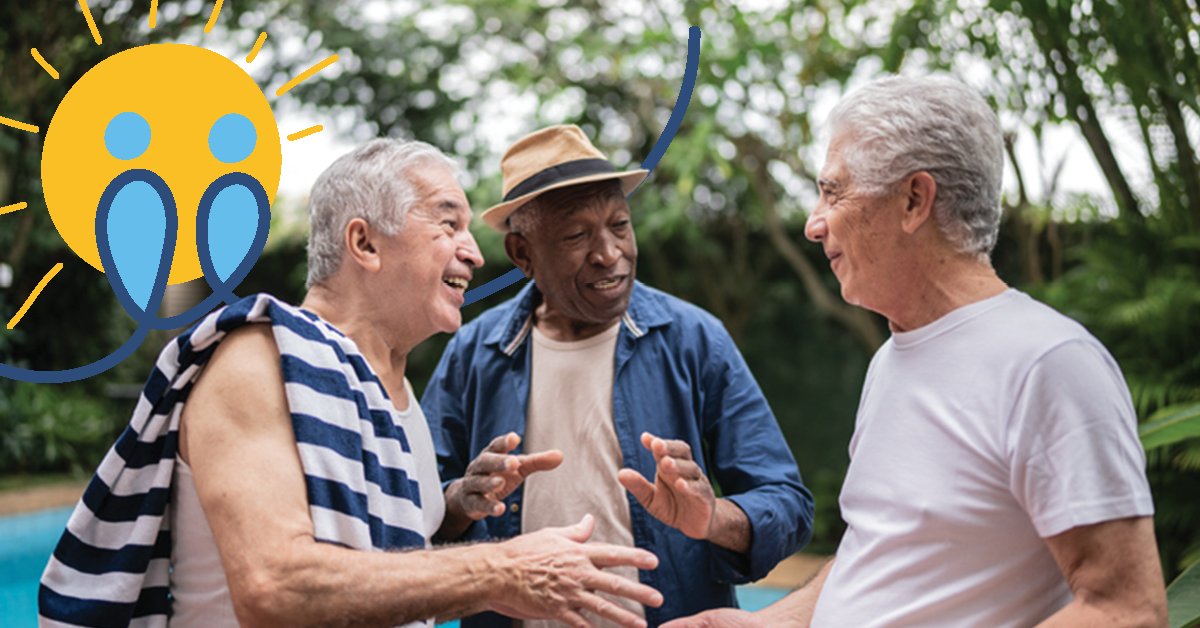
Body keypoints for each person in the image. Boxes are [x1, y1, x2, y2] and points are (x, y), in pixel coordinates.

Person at [39, 138, 664, 628]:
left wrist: (451, 509)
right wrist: (503, 568)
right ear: (364, 242)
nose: (475, 252)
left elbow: (393, 595)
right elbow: (277, 591)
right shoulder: (258, 358)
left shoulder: (396, 401)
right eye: (448, 225)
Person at [663, 76, 1168, 628]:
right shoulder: (891, 359)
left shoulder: (1049, 363)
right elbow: (883, 552)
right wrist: (763, 624)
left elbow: (1125, 610)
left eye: (833, 192)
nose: (813, 223)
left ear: (913, 199)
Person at [421, 125, 814, 628]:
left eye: (619, 226)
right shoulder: (474, 352)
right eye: (576, 235)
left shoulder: (694, 338)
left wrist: (713, 517)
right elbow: (414, 514)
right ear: (523, 255)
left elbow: (786, 504)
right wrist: (459, 500)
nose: (609, 253)